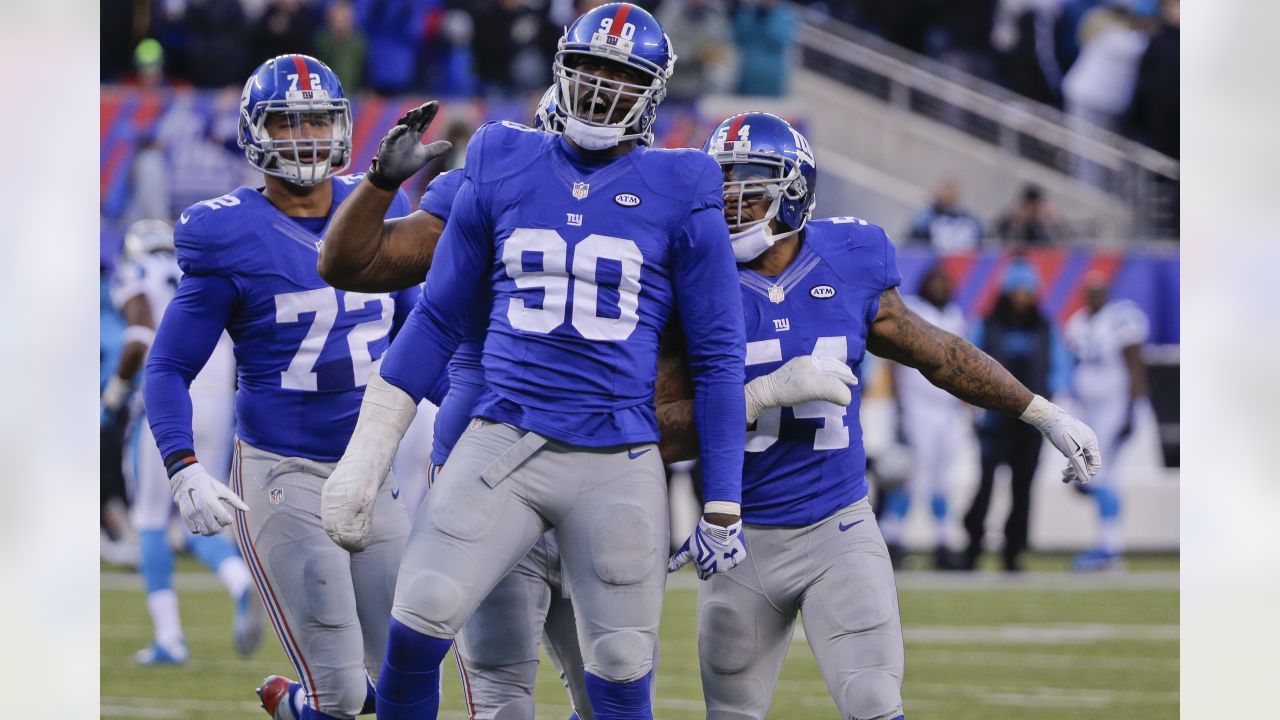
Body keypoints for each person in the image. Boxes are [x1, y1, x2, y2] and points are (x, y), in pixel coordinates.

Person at [316, 86, 847, 720]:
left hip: (605, 461)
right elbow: (360, 270)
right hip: (489, 453)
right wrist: (377, 186)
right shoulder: (491, 181)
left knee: (615, 679)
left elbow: (700, 368)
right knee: (493, 681)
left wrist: (747, 421)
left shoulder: (667, 205)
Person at [656, 112, 1101, 720]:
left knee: (873, 702)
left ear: (794, 189)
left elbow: (940, 355)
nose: (730, 199)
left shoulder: (850, 258)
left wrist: (1040, 412)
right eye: (722, 183)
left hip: (839, 526)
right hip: (739, 539)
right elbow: (654, 433)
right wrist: (756, 396)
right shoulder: (693, 282)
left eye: (748, 183)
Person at [142, 55, 421, 720]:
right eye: (287, 123)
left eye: (318, 122)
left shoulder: (382, 203)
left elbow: (423, 333)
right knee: (342, 693)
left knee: (407, 683)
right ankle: (303, 704)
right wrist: (182, 465)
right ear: (254, 133)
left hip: (372, 467)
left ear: (344, 128)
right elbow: (167, 366)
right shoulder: (227, 232)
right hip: (284, 471)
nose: (304, 139)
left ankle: (292, 704)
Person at [106, 219, 262, 665]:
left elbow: (139, 336)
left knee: (151, 517)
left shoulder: (137, 271)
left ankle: (170, 638)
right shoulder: (199, 268)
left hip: (169, 397)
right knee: (199, 510)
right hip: (218, 400)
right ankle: (238, 580)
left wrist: (115, 392)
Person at [961, 259, 1074, 572]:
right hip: (994, 420)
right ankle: (972, 546)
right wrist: (973, 404)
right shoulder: (988, 323)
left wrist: (1053, 407)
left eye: (1028, 291)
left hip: (1030, 421)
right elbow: (968, 361)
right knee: (985, 484)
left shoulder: (1045, 327)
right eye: (1017, 290)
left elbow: (1059, 368)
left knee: (1022, 488)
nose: (1022, 297)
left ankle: (1014, 551)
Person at [879, 264, 970, 569]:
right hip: (918, 406)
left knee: (943, 478)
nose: (941, 287)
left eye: (946, 281)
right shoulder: (913, 309)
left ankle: (944, 542)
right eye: (936, 280)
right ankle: (892, 540)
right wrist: (899, 403)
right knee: (911, 477)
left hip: (947, 409)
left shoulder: (955, 316)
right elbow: (893, 357)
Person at [1064, 273, 1149, 571]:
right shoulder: (1077, 322)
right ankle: (1108, 546)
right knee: (1087, 478)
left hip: (1115, 407)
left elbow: (1135, 363)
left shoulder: (1121, 318)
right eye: (1090, 291)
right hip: (1088, 410)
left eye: (1099, 291)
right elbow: (1075, 368)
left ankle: (1110, 547)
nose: (1094, 296)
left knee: (1101, 476)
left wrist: (1132, 407)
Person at [906, 179, 984, 253]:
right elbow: (916, 235)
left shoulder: (966, 218)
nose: (948, 195)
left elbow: (980, 234)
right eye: (945, 191)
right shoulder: (928, 216)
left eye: (951, 191)